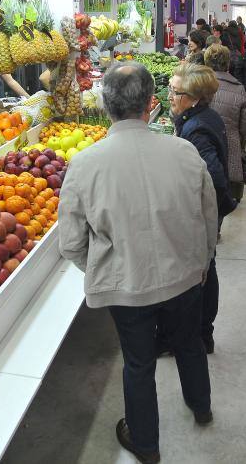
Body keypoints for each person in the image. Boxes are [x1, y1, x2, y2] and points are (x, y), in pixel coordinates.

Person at [58, 62, 217, 464]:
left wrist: (105, 266)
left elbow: (71, 243)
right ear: (151, 103)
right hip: (184, 276)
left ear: (105, 104)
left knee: (138, 362)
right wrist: (201, 261)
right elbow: (208, 217)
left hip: (126, 286)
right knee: (189, 343)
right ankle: (201, 406)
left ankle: (146, 444)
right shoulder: (184, 152)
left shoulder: (84, 165)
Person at [169, 63, 236, 354]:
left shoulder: (196, 130)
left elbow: (215, 179)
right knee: (206, 267)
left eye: (176, 92)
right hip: (205, 213)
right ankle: (202, 334)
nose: (170, 96)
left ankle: (199, 336)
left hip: (199, 215)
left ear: (194, 98)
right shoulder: (204, 117)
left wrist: (206, 213)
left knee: (202, 272)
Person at [204, 44, 246, 203]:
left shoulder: (200, 85)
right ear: (228, 63)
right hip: (230, 143)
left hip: (203, 141)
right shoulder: (239, 89)